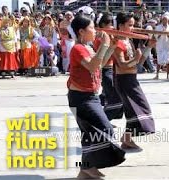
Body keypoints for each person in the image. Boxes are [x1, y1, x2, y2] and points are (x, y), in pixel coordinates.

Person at [67, 15, 125, 179]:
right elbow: (93, 66)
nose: (96, 31)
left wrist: (111, 47)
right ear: (81, 31)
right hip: (81, 98)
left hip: (90, 96)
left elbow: (101, 64)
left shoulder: (89, 47)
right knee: (105, 129)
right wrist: (104, 45)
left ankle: (84, 169)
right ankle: (88, 167)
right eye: (92, 28)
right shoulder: (77, 49)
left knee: (88, 134)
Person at [113, 12, 155, 150]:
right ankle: (126, 139)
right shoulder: (118, 42)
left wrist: (149, 47)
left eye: (133, 25)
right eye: (130, 25)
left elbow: (139, 63)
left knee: (134, 110)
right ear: (121, 26)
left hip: (132, 79)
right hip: (124, 80)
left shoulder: (129, 41)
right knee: (139, 108)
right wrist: (135, 59)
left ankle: (127, 139)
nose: (132, 28)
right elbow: (122, 64)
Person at [94, 12, 124, 120]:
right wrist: (111, 44)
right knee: (114, 96)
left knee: (113, 94)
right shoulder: (99, 38)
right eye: (108, 23)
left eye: (112, 23)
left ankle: (116, 114)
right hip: (105, 69)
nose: (111, 26)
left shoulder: (112, 36)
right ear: (102, 25)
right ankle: (103, 119)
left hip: (113, 68)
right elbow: (101, 57)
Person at [154, 12, 169, 80]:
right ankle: (157, 75)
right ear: (162, 19)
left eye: (166, 19)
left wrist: (168, 35)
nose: (165, 20)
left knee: (168, 61)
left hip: (167, 46)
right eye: (164, 19)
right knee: (159, 61)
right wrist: (161, 33)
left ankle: (168, 75)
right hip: (160, 46)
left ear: (168, 20)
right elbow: (156, 37)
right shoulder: (158, 27)